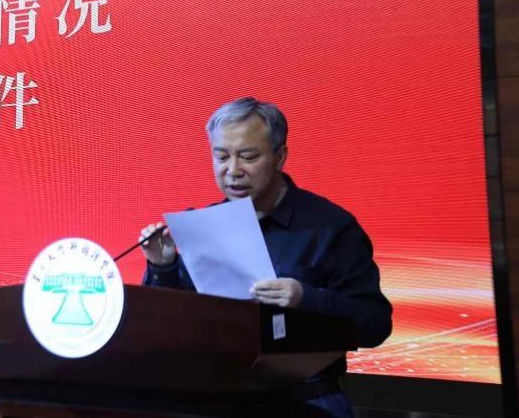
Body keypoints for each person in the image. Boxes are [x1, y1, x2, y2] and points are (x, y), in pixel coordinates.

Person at [139, 97, 392, 418]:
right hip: (218, 402)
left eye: (248, 157)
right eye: (221, 157)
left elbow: (375, 324)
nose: (233, 171)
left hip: (309, 404)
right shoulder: (204, 227)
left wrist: (306, 299)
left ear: (279, 156)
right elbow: (169, 330)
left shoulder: (331, 227)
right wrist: (163, 267)